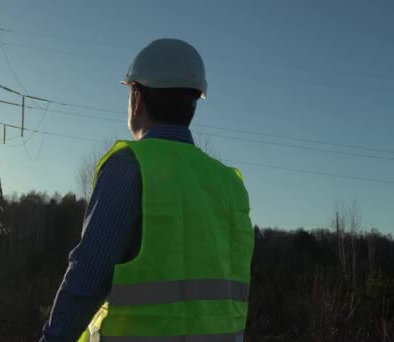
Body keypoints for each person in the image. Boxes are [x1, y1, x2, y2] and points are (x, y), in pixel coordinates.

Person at [40, 38, 254, 342]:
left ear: (137, 98)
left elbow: (86, 280)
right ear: (192, 105)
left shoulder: (129, 167)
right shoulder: (230, 185)